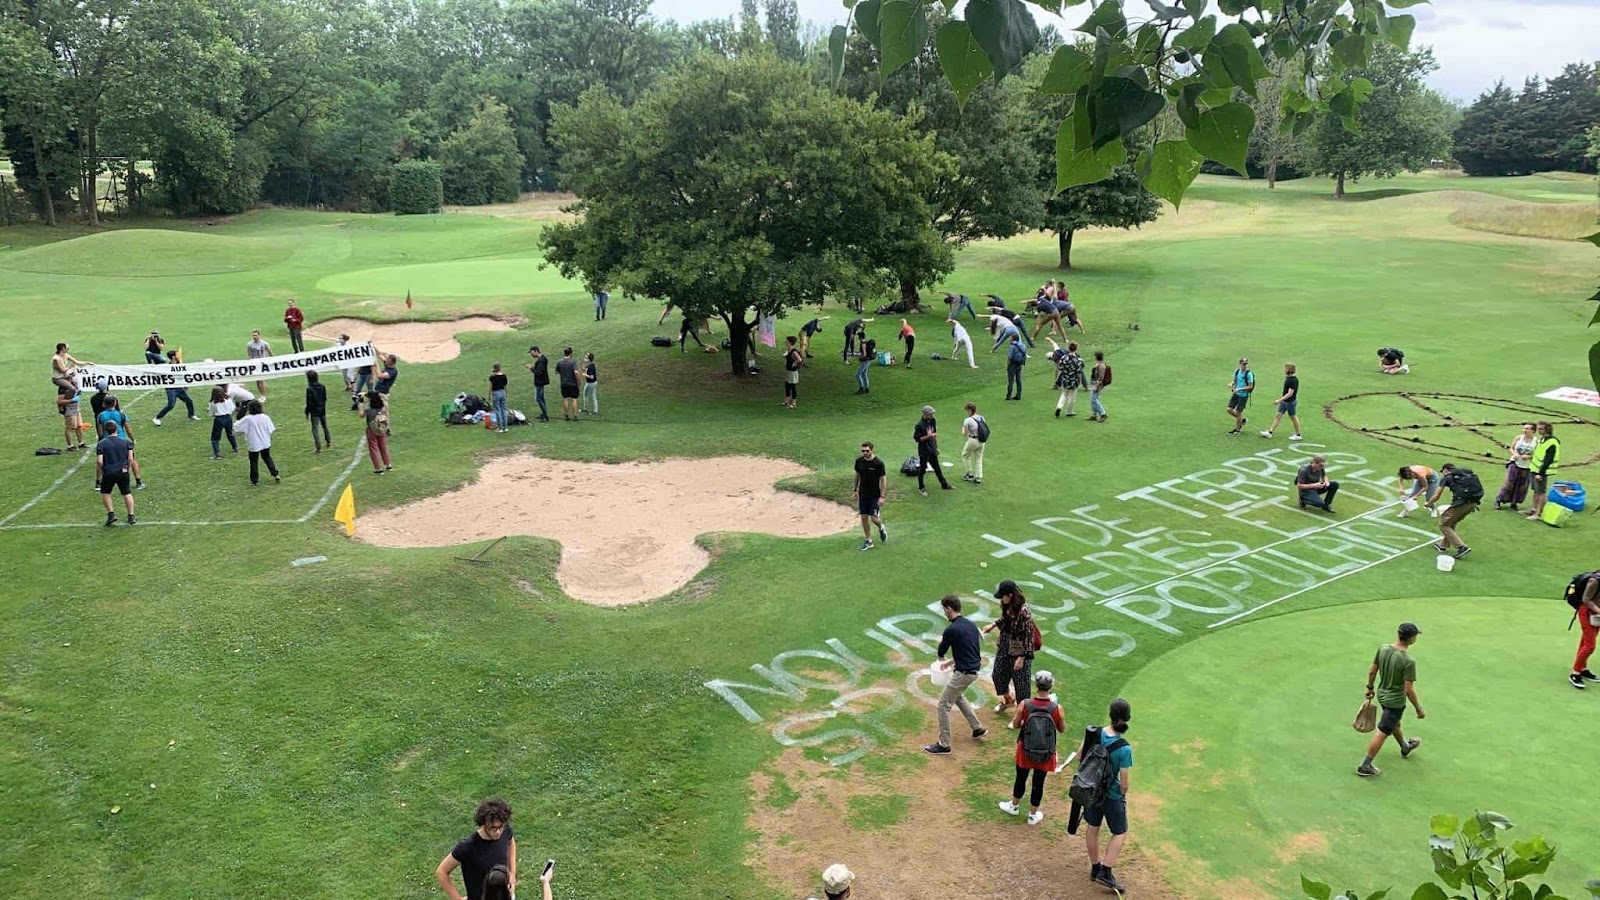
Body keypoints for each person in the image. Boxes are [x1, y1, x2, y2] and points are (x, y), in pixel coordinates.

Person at [1357, 622, 1425, 777]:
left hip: (1382, 695)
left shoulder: (1383, 649)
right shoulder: (1408, 661)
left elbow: (1373, 671)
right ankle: (1365, 766)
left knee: (1394, 723)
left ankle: (1405, 746)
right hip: (1395, 701)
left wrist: (1370, 688)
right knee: (1382, 731)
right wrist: (1418, 708)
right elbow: (1408, 690)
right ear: (1412, 638)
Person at [1000, 671, 1065, 826]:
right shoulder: (1057, 708)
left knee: (1021, 777)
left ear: (1036, 685)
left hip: (1025, 749)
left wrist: (1025, 723)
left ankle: (1014, 806)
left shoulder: (1025, 704)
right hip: (1045, 752)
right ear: (1051, 686)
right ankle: (1032, 815)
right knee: (1039, 782)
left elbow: (1015, 724)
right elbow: (1061, 729)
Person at [1082, 698, 1135, 892]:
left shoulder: (1095, 733)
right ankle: (1106, 871)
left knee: (1092, 827)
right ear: (1127, 718)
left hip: (1092, 791)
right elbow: (1125, 781)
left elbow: (1081, 756)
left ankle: (1095, 868)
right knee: (1119, 832)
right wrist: (1121, 793)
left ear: (1110, 715)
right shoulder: (1124, 748)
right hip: (1112, 796)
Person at [926, 594, 988, 754]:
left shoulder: (951, 629)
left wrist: (943, 659)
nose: (944, 613)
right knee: (957, 696)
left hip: (964, 672)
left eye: (944, 610)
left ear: (949, 608)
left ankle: (944, 744)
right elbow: (969, 650)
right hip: (973, 671)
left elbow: (941, 651)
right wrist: (951, 662)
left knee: (943, 706)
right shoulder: (971, 625)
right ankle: (977, 727)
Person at [435, 797, 517, 900]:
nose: (498, 832)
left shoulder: (506, 830)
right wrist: (457, 898)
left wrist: (512, 874)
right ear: (483, 824)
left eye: (501, 827)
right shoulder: (467, 847)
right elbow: (442, 871)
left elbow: (511, 842)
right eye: (493, 828)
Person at [983, 580, 1035, 713]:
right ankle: (1008, 700)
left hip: (1020, 649)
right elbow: (1006, 618)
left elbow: (1029, 636)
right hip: (1006, 644)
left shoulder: (1024, 612)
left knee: (1021, 683)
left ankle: (1022, 714)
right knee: (998, 674)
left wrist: (1022, 657)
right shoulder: (1009, 606)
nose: (1001, 599)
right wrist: (993, 625)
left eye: (1003, 596)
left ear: (1010, 595)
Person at [1429, 463, 1482, 559]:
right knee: (1451, 522)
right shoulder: (1467, 473)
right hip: (1473, 503)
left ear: (1446, 470)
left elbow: (1437, 495)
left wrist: (1428, 503)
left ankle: (1461, 547)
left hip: (1461, 503)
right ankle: (1443, 545)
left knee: (1443, 524)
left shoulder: (1447, 478)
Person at [95, 396, 144, 489]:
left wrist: (102, 441)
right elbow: (128, 429)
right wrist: (133, 439)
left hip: (107, 440)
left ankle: (98, 483)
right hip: (121, 440)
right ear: (115, 403)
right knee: (132, 459)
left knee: (102, 461)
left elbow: (100, 432)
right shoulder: (121, 414)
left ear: (104, 404)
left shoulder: (101, 416)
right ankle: (138, 481)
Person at [96, 420, 137, 526]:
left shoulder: (102, 444)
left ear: (106, 431)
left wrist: (103, 469)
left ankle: (111, 514)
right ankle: (131, 516)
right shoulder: (126, 442)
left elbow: (99, 461)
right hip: (123, 471)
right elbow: (131, 458)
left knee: (106, 493)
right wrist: (127, 468)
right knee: (126, 493)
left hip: (109, 472)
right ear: (117, 428)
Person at [232, 399, 280, 485]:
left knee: (254, 462)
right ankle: (275, 474)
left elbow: (236, 427)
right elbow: (271, 429)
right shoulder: (265, 417)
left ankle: (254, 480)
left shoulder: (248, 419)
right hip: (265, 442)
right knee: (267, 458)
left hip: (254, 443)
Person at [851, 441, 888, 550]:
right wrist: (855, 490)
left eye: (867, 451)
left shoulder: (878, 463)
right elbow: (857, 475)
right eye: (863, 451)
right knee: (863, 517)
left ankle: (881, 527)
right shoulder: (859, 461)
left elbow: (883, 479)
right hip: (863, 494)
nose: (865, 453)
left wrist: (882, 496)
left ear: (872, 450)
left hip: (874, 495)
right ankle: (868, 540)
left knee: (874, 519)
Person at [1495, 423, 1538, 511]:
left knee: (1522, 485)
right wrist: (1515, 454)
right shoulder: (1519, 438)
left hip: (1527, 466)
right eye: (1524, 428)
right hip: (1515, 463)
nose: (1525, 430)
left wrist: (1529, 457)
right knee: (1509, 482)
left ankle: (1514, 502)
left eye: (1527, 429)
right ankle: (1499, 500)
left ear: (1533, 431)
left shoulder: (1536, 441)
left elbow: (1537, 453)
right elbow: (1511, 448)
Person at [1523, 421, 1561, 521]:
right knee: (1536, 490)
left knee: (1541, 492)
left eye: (1541, 429)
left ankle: (1538, 513)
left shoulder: (1552, 442)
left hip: (1541, 471)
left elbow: (1548, 459)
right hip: (1535, 468)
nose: (1538, 430)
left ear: (1547, 430)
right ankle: (1533, 509)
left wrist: (1541, 473)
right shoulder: (1543, 439)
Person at [151, 350, 199, 426]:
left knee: (189, 401)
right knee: (171, 405)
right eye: (177, 355)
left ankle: (191, 415)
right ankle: (157, 418)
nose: (179, 356)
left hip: (179, 387)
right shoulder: (170, 366)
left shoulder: (177, 364)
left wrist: (184, 384)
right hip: (171, 388)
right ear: (173, 357)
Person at [1569, 572, 1599, 690]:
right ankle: (1575, 673)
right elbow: (1586, 599)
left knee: (1586, 640)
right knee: (1590, 646)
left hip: (1596, 613)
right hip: (1587, 612)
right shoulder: (1594, 581)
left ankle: (1582, 668)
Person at [913, 405, 952, 496]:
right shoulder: (919, 425)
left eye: (932, 414)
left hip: (932, 449)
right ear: (924, 414)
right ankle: (921, 487)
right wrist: (928, 436)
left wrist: (936, 447)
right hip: (924, 450)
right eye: (930, 414)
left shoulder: (933, 421)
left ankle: (944, 485)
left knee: (937, 468)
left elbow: (934, 435)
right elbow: (917, 439)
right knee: (922, 469)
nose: (932, 415)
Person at [1258, 363, 1303, 440]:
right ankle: (1270, 432)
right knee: (1278, 416)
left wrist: (1279, 400)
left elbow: (1290, 393)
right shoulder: (1288, 378)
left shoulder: (1293, 380)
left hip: (1290, 402)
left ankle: (1298, 435)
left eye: (1286, 369)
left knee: (1293, 417)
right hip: (1284, 402)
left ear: (1289, 370)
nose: (1284, 370)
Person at [1046, 338, 1084, 418]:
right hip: (1074, 380)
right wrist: (1080, 381)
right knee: (1072, 397)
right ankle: (1069, 411)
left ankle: (1059, 407)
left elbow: (1060, 369)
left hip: (1065, 378)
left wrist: (1057, 380)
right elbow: (1079, 372)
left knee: (1064, 394)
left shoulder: (1063, 358)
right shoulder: (1079, 360)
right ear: (1076, 348)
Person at [362, 390, 393, 474]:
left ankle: (378, 468)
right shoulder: (383, 407)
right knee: (383, 447)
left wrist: (360, 404)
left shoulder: (369, 410)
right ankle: (388, 464)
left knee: (374, 448)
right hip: (382, 428)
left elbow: (361, 415)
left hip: (372, 430)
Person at [208, 385, 238, 458]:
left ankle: (217, 454)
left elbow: (212, 413)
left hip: (219, 419)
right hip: (228, 418)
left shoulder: (213, 403)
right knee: (230, 433)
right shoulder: (228, 400)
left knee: (215, 438)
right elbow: (233, 408)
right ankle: (235, 447)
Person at [1226, 357, 1254, 434]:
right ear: (1240, 364)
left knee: (1239, 412)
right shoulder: (1237, 371)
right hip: (1236, 394)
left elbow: (1250, 386)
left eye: (1246, 364)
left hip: (1243, 396)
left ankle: (1237, 430)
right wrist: (1231, 383)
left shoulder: (1249, 374)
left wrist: (1239, 389)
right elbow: (1235, 380)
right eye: (1243, 364)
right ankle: (1241, 420)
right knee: (1229, 409)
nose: (1245, 366)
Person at [305, 370, 331, 451]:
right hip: (322, 409)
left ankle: (318, 446)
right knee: (325, 426)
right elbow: (325, 398)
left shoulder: (309, 389)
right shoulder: (322, 386)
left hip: (314, 412)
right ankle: (329, 441)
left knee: (315, 429)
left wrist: (307, 412)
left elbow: (309, 402)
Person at [960, 402, 985, 484]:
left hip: (973, 440)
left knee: (965, 455)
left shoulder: (967, 420)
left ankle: (969, 474)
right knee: (978, 459)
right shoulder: (981, 417)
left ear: (970, 410)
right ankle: (978, 477)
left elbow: (965, 434)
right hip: (982, 440)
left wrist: (962, 429)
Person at [57, 384, 86, 450]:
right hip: (69, 410)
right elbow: (60, 401)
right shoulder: (63, 387)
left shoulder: (74, 384)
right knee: (70, 427)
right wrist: (72, 400)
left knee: (79, 426)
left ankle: (81, 443)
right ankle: (70, 445)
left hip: (76, 409)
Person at [553, 347, 579, 420]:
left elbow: (556, 372)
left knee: (565, 399)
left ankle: (566, 415)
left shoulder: (559, 362)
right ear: (571, 353)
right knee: (574, 399)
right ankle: (575, 415)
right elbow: (576, 372)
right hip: (572, 383)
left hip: (564, 383)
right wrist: (578, 382)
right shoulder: (573, 362)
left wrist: (563, 372)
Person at [526, 346, 550, 422]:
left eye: (532, 353)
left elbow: (539, 372)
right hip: (541, 382)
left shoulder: (541, 361)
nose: (531, 355)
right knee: (541, 398)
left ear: (536, 351)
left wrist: (531, 368)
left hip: (540, 382)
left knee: (538, 399)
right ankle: (544, 413)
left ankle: (545, 416)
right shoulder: (541, 359)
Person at [246, 329, 272, 397]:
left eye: (255, 335)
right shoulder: (249, 344)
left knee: (261, 380)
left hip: (262, 363)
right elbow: (249, 355)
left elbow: (270, 353)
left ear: (259, 335)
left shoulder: (264, 343)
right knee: (257, 380)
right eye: (253, 335)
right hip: (255, 363)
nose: (254, 337)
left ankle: (263, 395)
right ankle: (261, 394)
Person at [1088, 350, 1110, 422]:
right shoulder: (1100, 364)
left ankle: (1103, 414)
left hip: (1097, 384)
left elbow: (1101, 377)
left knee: (1094, 399)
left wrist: (1096, 386)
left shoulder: (1101, 366)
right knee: (1093, 399)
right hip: (1095, 383)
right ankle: (1094, 415)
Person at [780, 337, 802, 409]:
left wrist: (794, 364)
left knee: (792, 387)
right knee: (787, 385)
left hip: (792, 372)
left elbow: (799, 359)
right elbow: (787, 356)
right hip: (789, 371)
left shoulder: (793, 351)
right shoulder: (789, 350)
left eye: (786, 341)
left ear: (789, 342)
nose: (785, 342)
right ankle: (787, 401)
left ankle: (794, 403)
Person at [488, 363, 510, 433]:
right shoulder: (504, 376)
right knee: (504, 410)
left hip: (496, 393)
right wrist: (506, 393)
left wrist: (489, 395)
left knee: (498, 410)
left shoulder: (492, 377)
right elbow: (504, 386)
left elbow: (490, 387)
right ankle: (505, 427)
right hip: (502, 392)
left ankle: (500, 427)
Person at [1004, 334, 1026, 401]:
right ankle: (1018, 395)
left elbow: (1010, 357)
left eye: (1010, 337)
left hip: (1013, 364)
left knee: (1011, 380)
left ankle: (1008, 396)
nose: (1009, 338)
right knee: (1018, 380)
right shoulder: (1022, 345)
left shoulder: (1012, 346)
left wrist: (1008, 365)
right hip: (1019, 364)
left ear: (1013, 339)